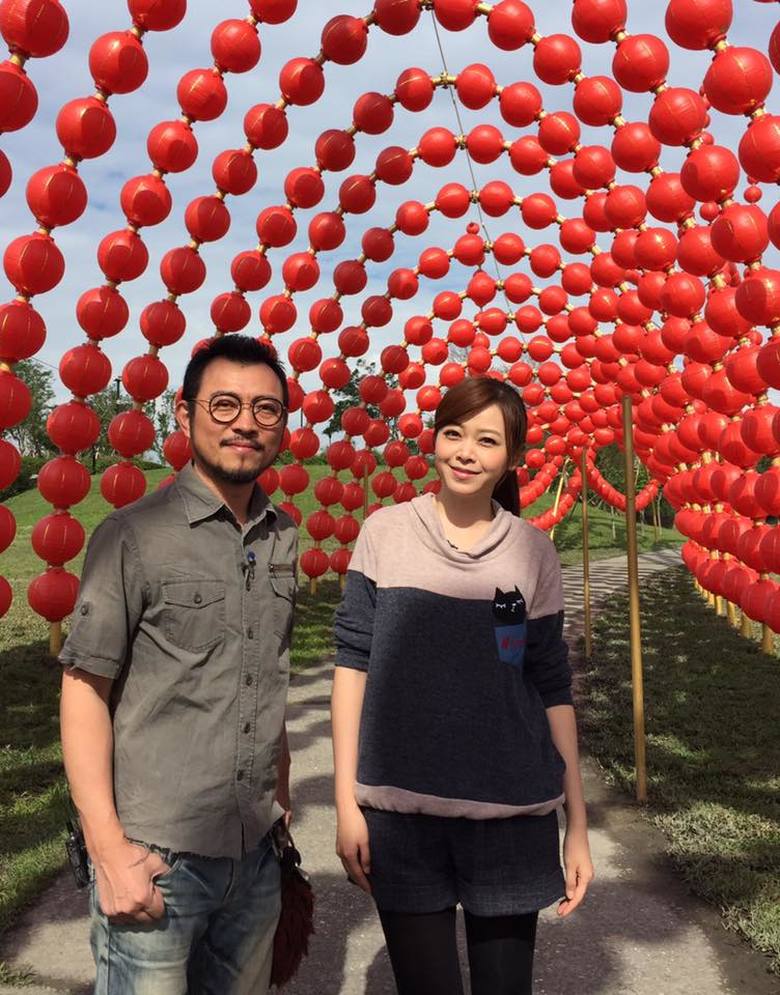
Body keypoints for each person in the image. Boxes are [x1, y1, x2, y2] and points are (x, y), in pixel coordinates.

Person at [332, 375, 594, 995]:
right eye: (454, 433)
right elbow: (352, 664)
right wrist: (346, 804)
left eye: (487, 440)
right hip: (401, 817)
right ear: (434, 439)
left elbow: (549, 685)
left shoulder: (532, 552)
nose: (466, 452)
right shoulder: (385, 533)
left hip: (510, 817)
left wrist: (577, 824)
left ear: (512, 456)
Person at [59, 334, 298, 995]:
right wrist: (109, 851)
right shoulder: (133, 535)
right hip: (157, 860)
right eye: (225, 404)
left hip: (255, 853)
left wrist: (280, 797)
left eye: (266, 408)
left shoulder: (283, 536)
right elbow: (83, 689)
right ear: (185, 414)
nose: (246, 423)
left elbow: (265, 671)